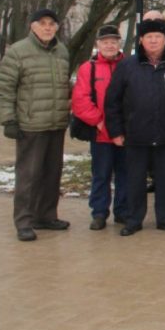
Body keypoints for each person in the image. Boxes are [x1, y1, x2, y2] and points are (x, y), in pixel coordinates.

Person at [104, 18, 165, 235]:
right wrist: (116, 131)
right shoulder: (127, 66)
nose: (154, 41)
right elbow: (112, 101)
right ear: (141, 40)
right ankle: (134, 220)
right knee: (135, 179)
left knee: (164, 179)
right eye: (149, 37)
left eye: (158, 37)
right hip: (135, 133)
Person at [0, 8, 72, 242]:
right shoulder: (18, 52)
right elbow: (6, 88)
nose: (48, 27)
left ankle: (46, 216)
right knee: (29, 176)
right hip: (30, 124)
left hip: (56, 123)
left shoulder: (61, 51)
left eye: (52, 23)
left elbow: (63, 85)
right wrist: (8, 119)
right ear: (32, 26)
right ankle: (24, 221)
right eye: (42, 23)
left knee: (52, 174)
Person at [71, 25, 127, 230]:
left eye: (114, 41)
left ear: (119, 43)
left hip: (124, 133)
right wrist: (100, 122)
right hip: (101, 133)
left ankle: (123, 211)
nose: (110, 45)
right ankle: (99, 212)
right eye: (105, 42)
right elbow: (80, 100)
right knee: (101, 174)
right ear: (98, 44)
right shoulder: (88, 68)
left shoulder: (129, 65)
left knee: (125, 174)